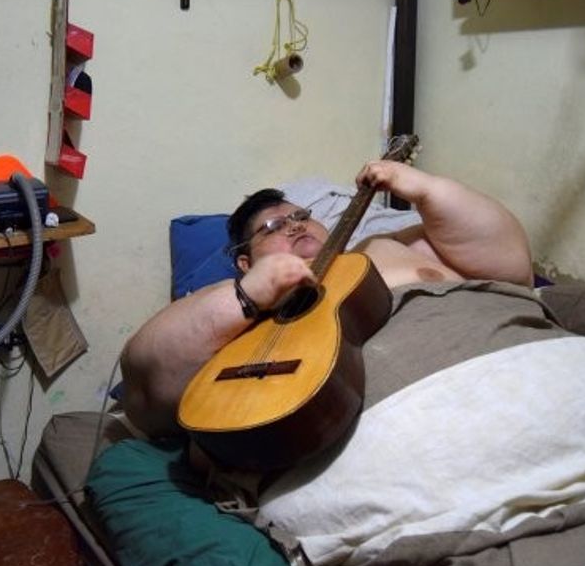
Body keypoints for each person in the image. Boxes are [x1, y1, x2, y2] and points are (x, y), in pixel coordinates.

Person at [121, 159, 535, 438]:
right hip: (419, 411)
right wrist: (248, 298)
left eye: (302, 216)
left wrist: (428, 190)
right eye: (272, 228)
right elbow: (144, 388)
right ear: (245, 263)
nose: (295, 226)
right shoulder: (234, 306)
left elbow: (513, 270)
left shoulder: (383, 246)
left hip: (518, 349)